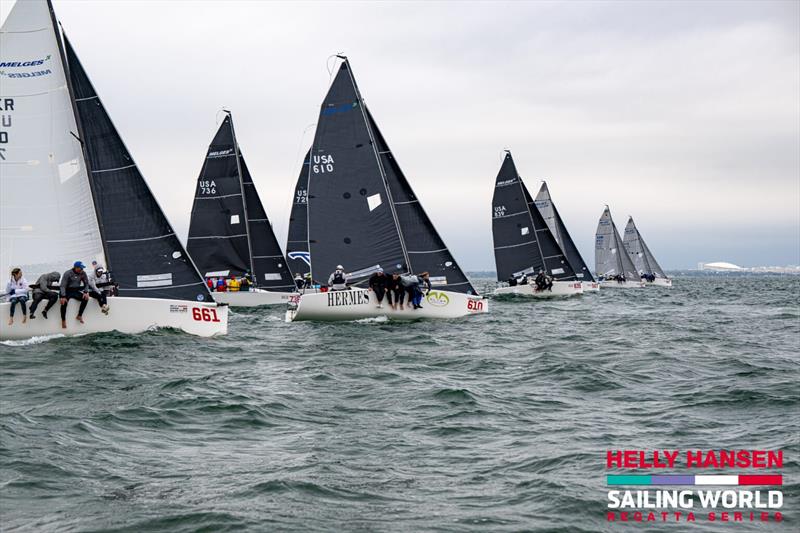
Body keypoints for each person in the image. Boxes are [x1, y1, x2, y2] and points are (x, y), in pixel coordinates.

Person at [60, 261, 107, 328]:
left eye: (83, 268)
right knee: (64, 303)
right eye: (81, 268)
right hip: (67, 291)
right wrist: (63, 296)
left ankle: (79, 315)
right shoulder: (68, 273)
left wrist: (85, 292)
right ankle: (63, 320)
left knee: (85, 298)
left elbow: (86, 284)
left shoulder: (82, 273)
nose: (82, 270)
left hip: (76, 291)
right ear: (76, 267)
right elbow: (62, 286)